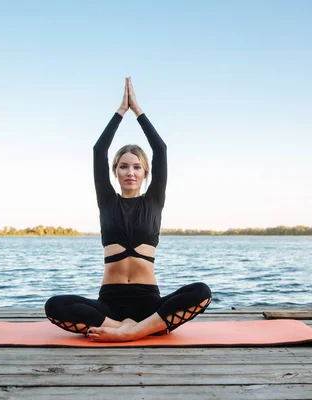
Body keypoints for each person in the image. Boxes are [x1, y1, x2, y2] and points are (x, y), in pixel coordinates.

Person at [44, 77, 212, 342]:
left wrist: (138, 111)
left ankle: (132, 331)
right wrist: (120, 112)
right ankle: (130, 327)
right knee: (54, 306)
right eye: (123, 166)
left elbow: (161, 149)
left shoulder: (154, 200)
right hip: (109, 304)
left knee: (202, 291)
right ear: (115, 171)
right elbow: (99, 149)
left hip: (149, 302)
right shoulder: (107, 201)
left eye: (136, 167)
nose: (130, 172)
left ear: (146, 172)